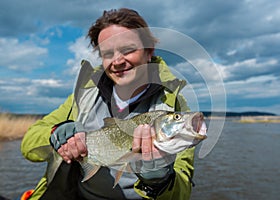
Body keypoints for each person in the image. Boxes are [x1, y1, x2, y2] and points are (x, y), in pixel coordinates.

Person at [21, 8, 199, 200]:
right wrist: (55, 133)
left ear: (149, 52)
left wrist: (160, 181)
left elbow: (182, 191)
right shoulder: (83, 97)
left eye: (128, 50)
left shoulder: (173, 107)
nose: (117, 61)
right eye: (107, 53)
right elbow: (29, 143)